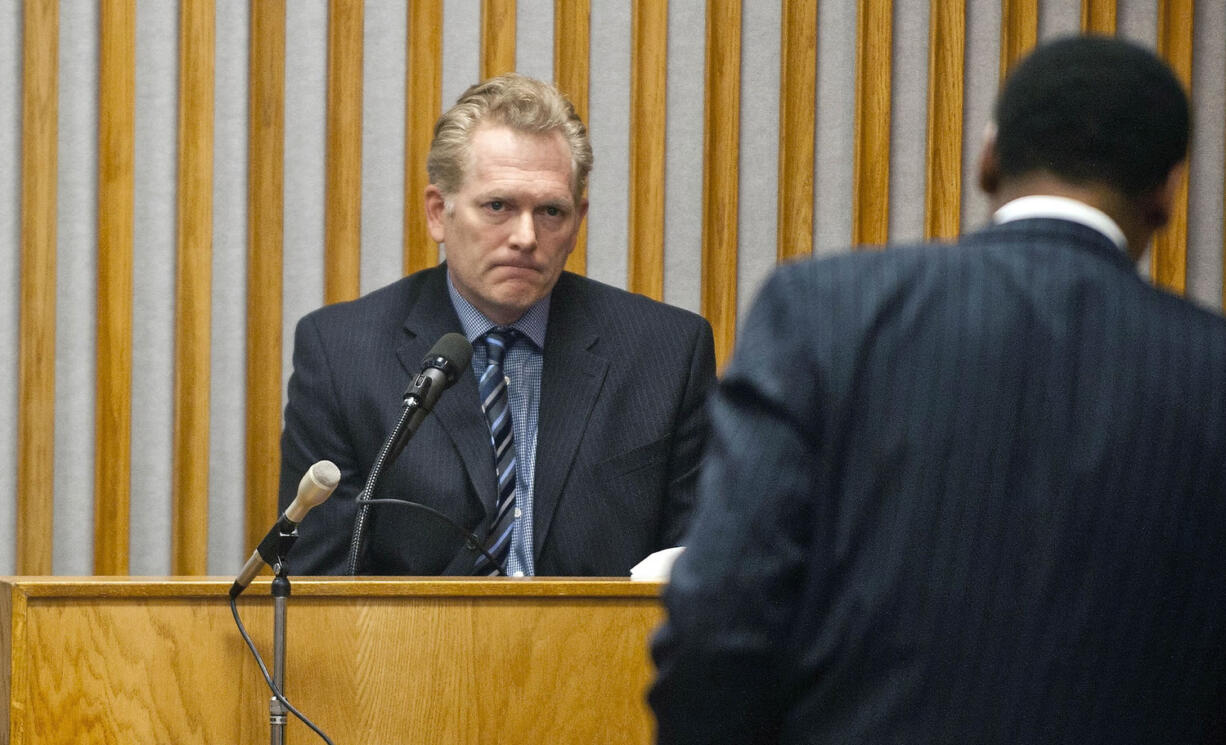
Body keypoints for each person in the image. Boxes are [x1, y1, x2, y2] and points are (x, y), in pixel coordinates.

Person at [649, 35, 1226, 744]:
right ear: (1168, 192)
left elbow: (720, 615)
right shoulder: (1209, 366)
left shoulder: (825, 312)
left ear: (988, 157)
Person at [279, 73, 715, 577]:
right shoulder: (342, 354)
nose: (526, 237)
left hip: (604, 653)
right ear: (439, 213)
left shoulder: (666, 354)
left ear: (578, 222)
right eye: (498, 206)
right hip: (413, 654)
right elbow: (321, 587)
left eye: (551, 211)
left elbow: (704, 573)